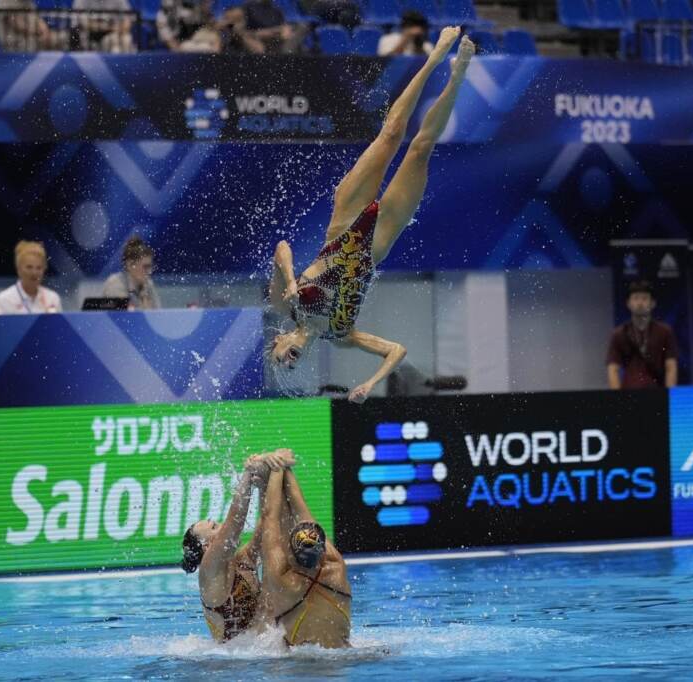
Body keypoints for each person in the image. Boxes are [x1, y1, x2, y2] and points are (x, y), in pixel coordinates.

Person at [268, 28, 474, 403]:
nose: (289, 363)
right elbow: (397, 350)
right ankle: (458, 77)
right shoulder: (341, 337)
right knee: (420, 150)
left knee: (392, 134)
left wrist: (290, 278)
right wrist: (371, 383)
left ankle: (434, 58)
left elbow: (281, 247)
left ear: (278, 342)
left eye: (281, 362)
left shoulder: (286, 305)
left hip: (342, 224)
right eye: (292, 368)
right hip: (376, 245)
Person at [181, 450, 294, 642]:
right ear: (207, 546)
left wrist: (264, 483)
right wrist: (249, 473)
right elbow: (235, 522)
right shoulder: (209, 572)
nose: (222, 527)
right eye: (215, 527)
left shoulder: (243, 561)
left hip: (261, 650)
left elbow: (268, 523)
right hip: (235, 664)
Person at [256, 465, 351, 648]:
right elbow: (303, 512)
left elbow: (270, 517)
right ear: (324, 550)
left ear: (290, 553)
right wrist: (287, 469)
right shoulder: (336, 567)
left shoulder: (282, 579)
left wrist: (277, 468)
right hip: (341, 659)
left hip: (298, 663)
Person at [606, 280, 679, 390]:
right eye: (635, 298)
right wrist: (617, 398)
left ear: (653, 303)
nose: (640, 303)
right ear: (628, 303)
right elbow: (612, 369)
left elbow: (671, 366)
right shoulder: (619, 333)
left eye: (644, 298)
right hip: (628, 394)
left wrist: (670, 395)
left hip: (658, 393)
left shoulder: (664, 332)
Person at [0, 241, 63, 314]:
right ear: (18, 269)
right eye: (29, 267)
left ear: (44, 269)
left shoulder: (52, 298)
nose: (34, 272)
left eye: (39, 268)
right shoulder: (5, 299)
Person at [101, 235, 162, 310]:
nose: (150, 271)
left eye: (150, 267)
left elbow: (158, 314)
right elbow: (123, 318)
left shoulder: (148, 284)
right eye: (145, 267)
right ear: (130, 265)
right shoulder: (114, 283)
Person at [0, 0, 68, 52]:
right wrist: (39, 33)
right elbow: (19, 25)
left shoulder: (27, 1)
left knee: (63, 37)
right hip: (16, 42)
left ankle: (62, 69)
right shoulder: (4, 2)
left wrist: (46, 32)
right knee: (36, 43)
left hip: (33, 37)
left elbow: (38, 19)